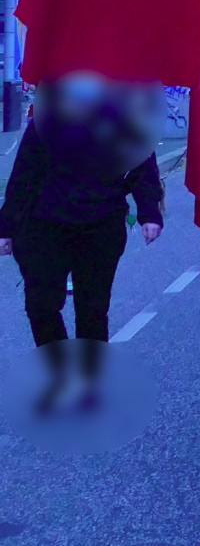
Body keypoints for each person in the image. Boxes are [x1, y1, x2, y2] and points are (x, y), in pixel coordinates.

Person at [0, 115, 163, 409]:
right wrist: (5, 228)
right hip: (43, 224)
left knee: (92, 307)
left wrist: (149, 213)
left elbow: (142, 167)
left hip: (101, 223)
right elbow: (23, 172)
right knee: (41, 305)